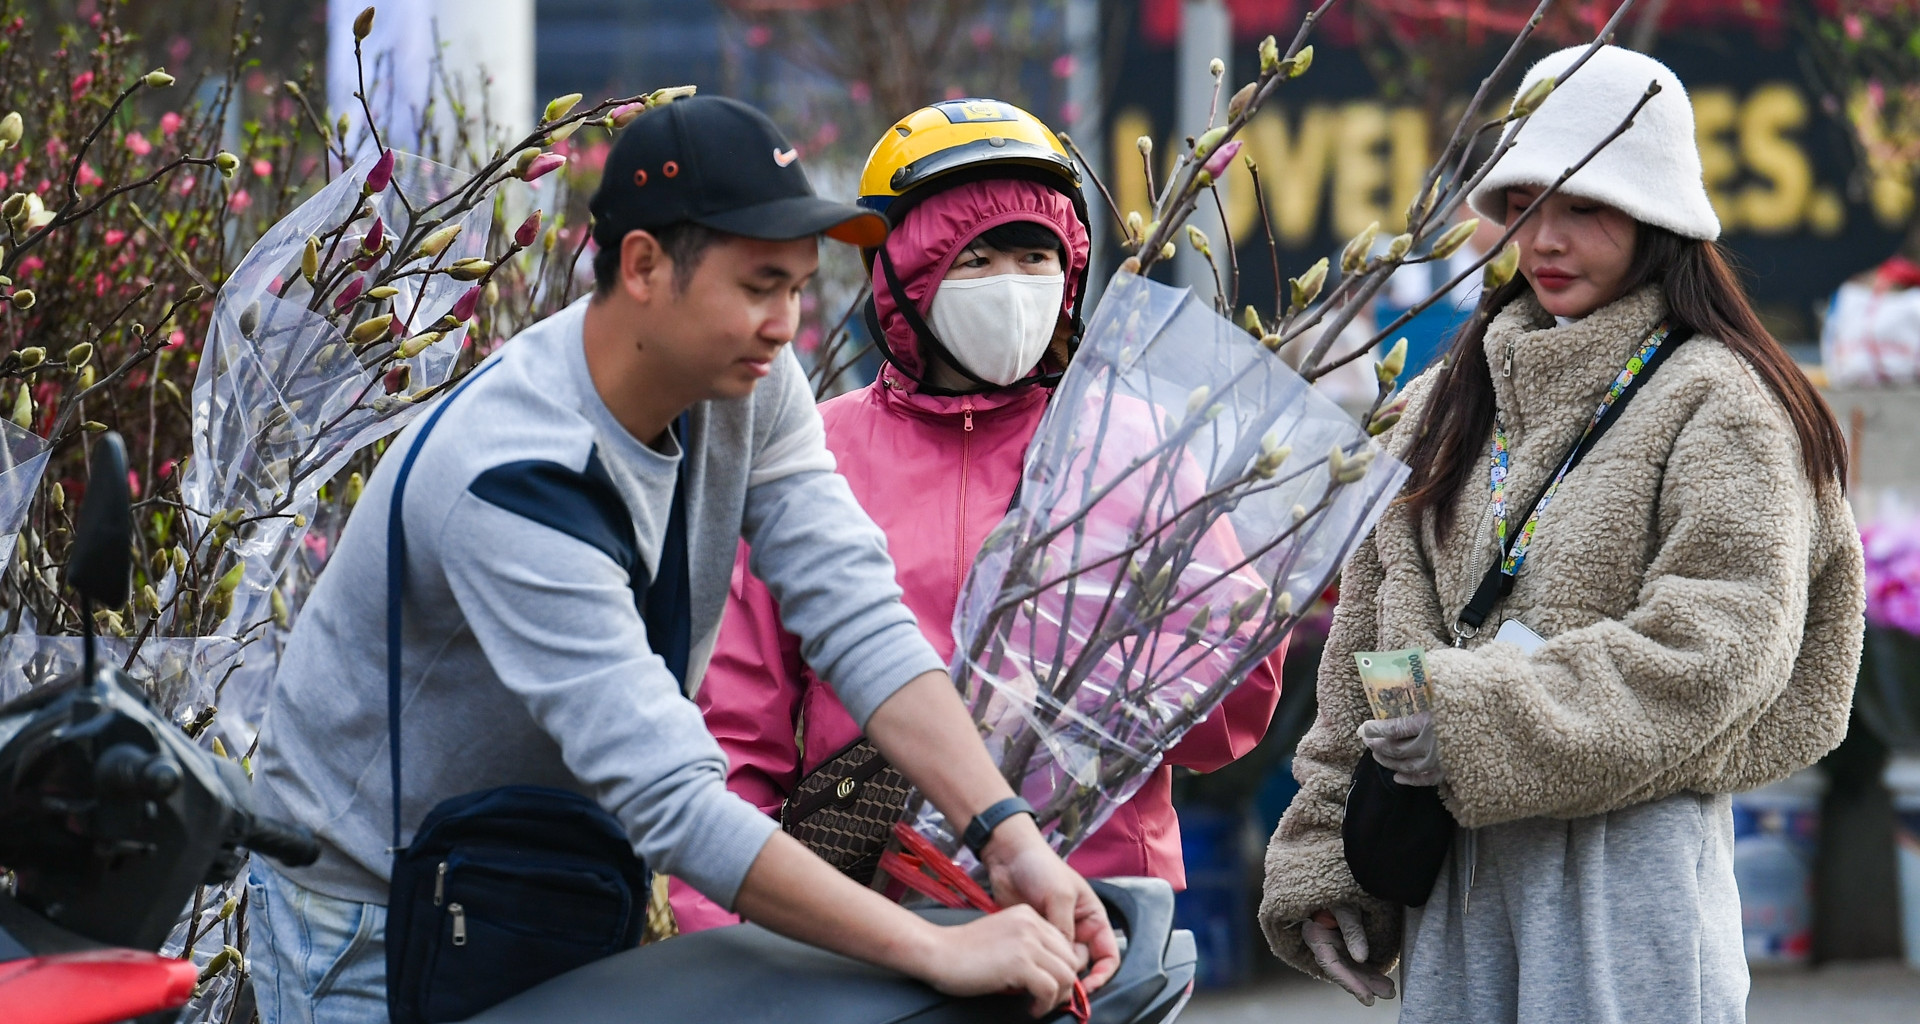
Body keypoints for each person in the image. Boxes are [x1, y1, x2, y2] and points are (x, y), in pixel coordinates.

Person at [247, 95, 1117, 1024]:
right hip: (379, 911)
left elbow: (856, 615)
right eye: (756, 286)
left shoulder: (745, 377)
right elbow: (673, 797)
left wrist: (1008, 835)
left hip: (555, 868)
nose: (785, 323)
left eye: (796, 286)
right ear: (645, 266)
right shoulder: (514, 477)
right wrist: (938, 949)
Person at [1257, 46, 1864, 1023]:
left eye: (1584, 206)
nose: (1544, 238)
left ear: (1657, 212)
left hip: (1630, 874)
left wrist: (1469, 719)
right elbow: (1368, 656)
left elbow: (1718, 648)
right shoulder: (1441, 405)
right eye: (1526, 203)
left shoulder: (1724, 401)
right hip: (1455, 882)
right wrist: (1332, 856)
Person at [670, 98, 1285, 931]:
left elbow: (1224, 722)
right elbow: (737, 730)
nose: (1012, 284)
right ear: (901, 275)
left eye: (1035, 255)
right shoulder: (811, 458)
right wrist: (718, 937)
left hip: (1094, 916)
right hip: (868, 919)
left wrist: (1191, 625)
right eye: (976, 255)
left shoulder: (1134, 449)